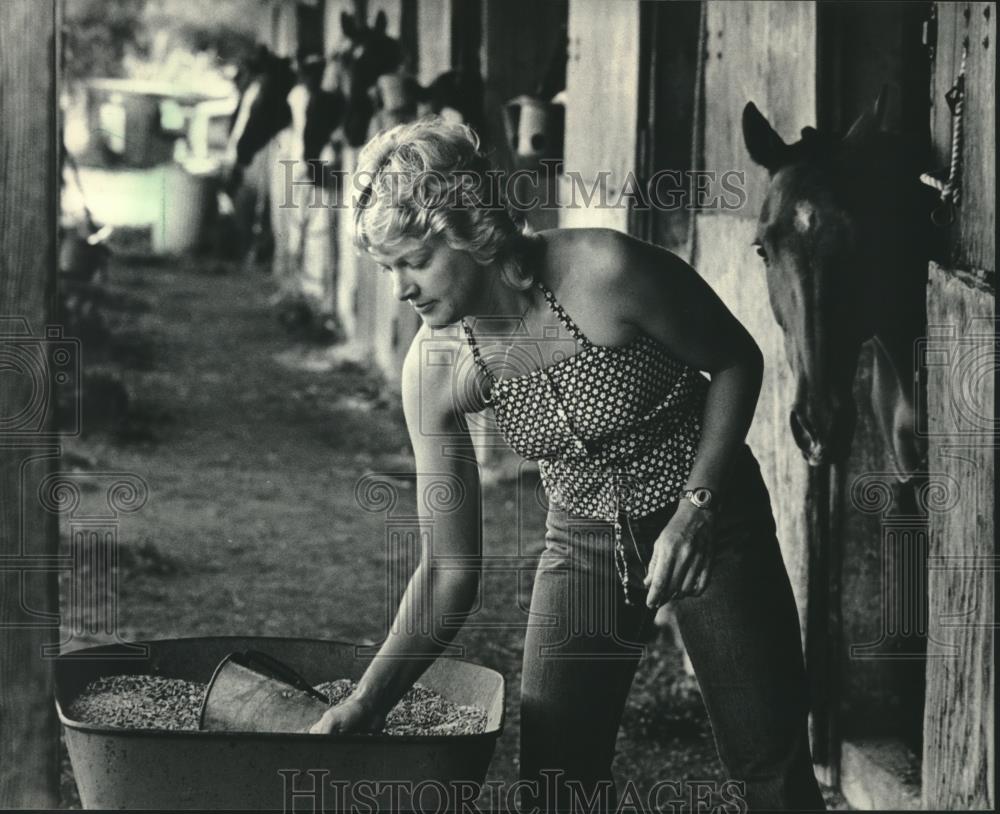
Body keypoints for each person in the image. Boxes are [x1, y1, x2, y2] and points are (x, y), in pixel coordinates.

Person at [308, 117, 826, 813]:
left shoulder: (607, 272)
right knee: (555, 783)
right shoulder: (434, 369)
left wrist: (695, 512)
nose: (402, 288)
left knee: (771, 769)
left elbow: (737, 360)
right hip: (581, 543)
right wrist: (368, 702)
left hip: (712, 520)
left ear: (468, 226)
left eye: (416, 260)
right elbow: (449, 569)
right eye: (388, 267)